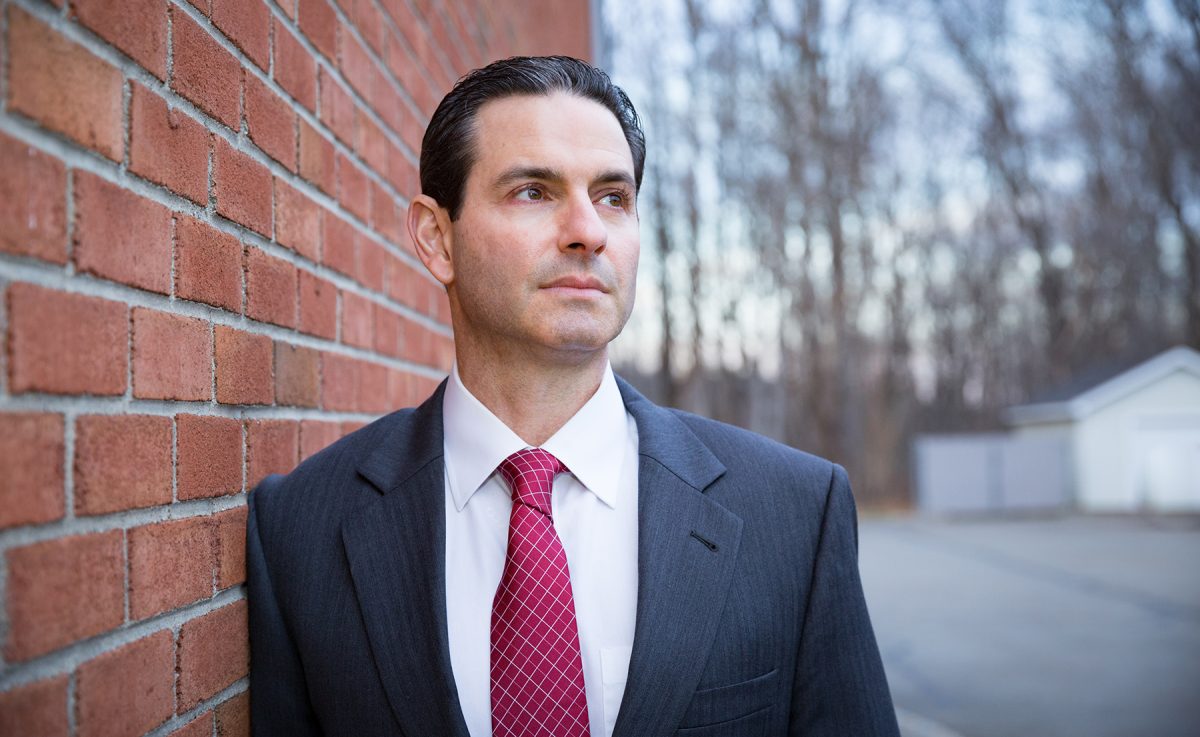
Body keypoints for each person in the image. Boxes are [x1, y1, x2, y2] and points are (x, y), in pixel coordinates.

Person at [247, 55, 900, 737]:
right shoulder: (301, 530)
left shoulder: (794, 514)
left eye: (613, 197)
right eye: (534, 191)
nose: (589, 231)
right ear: (438, 240)